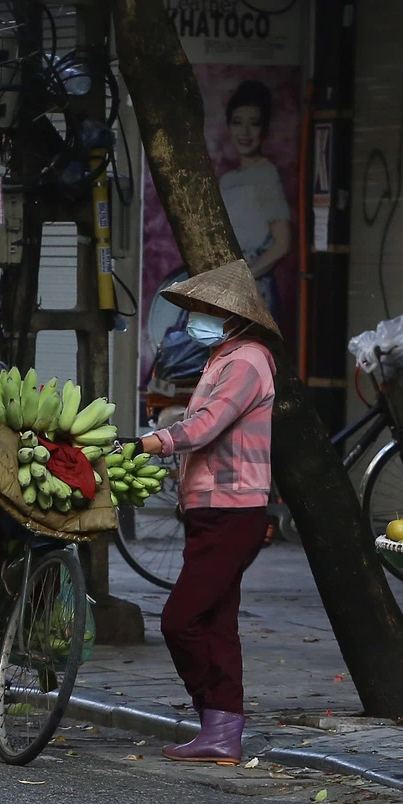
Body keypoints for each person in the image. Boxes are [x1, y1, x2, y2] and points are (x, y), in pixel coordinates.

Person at [135, 260, 280, 763]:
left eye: (205, 310)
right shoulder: (223, 358)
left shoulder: (247, 361)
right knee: (216, 624)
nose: (195, 317)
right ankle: (221, 732)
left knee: (181, 619)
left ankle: (217, 721)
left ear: (232, 315)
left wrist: (151, 444)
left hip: (232, 508)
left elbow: (205, 426)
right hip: (212, 510)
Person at [217, 81, 293, 330]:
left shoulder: (266, 174)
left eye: (254, 123)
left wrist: (245, 278)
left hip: (256, 290)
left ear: (265, 128)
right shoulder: (227, 180)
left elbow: (283, 244)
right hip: (227, 289)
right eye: (238, 122)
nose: (245, 132)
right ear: (229, 126)